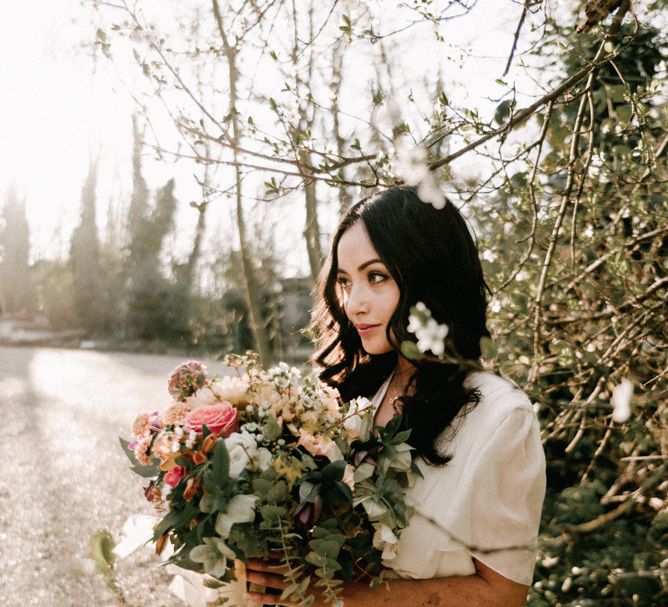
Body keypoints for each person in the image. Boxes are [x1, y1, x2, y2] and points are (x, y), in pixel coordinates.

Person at [244, 186, 546, 606]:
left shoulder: (502, 418)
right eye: (345, 282)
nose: (353, 305)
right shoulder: (343, 396)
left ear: (429, 277)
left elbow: (502, 596)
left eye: (376, 277)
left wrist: (332, 597)